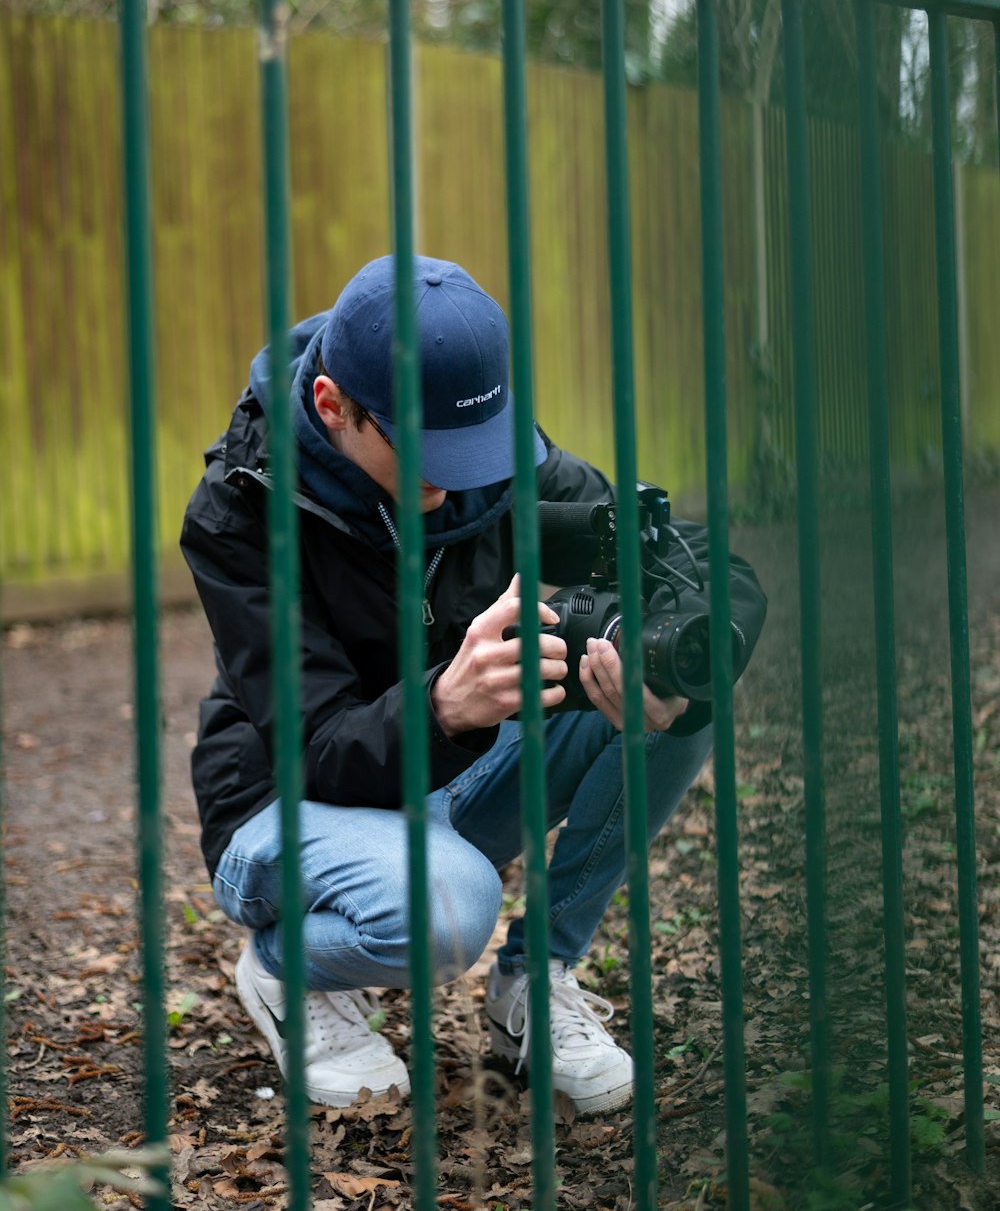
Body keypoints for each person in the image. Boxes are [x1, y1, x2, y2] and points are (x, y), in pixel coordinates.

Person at [180, 255, 766, 1117]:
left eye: (472, 451)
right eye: (425, 457)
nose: (454, 483)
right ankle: (285, 971)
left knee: (683, 696)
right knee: (448, 908)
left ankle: (537, 983)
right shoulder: (241, 507)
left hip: (442, 782)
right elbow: (313, 747)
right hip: (285, 801)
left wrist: (665, 669)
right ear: (332, 406)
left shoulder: (490, 465)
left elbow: (702, 562)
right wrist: (445, 704)